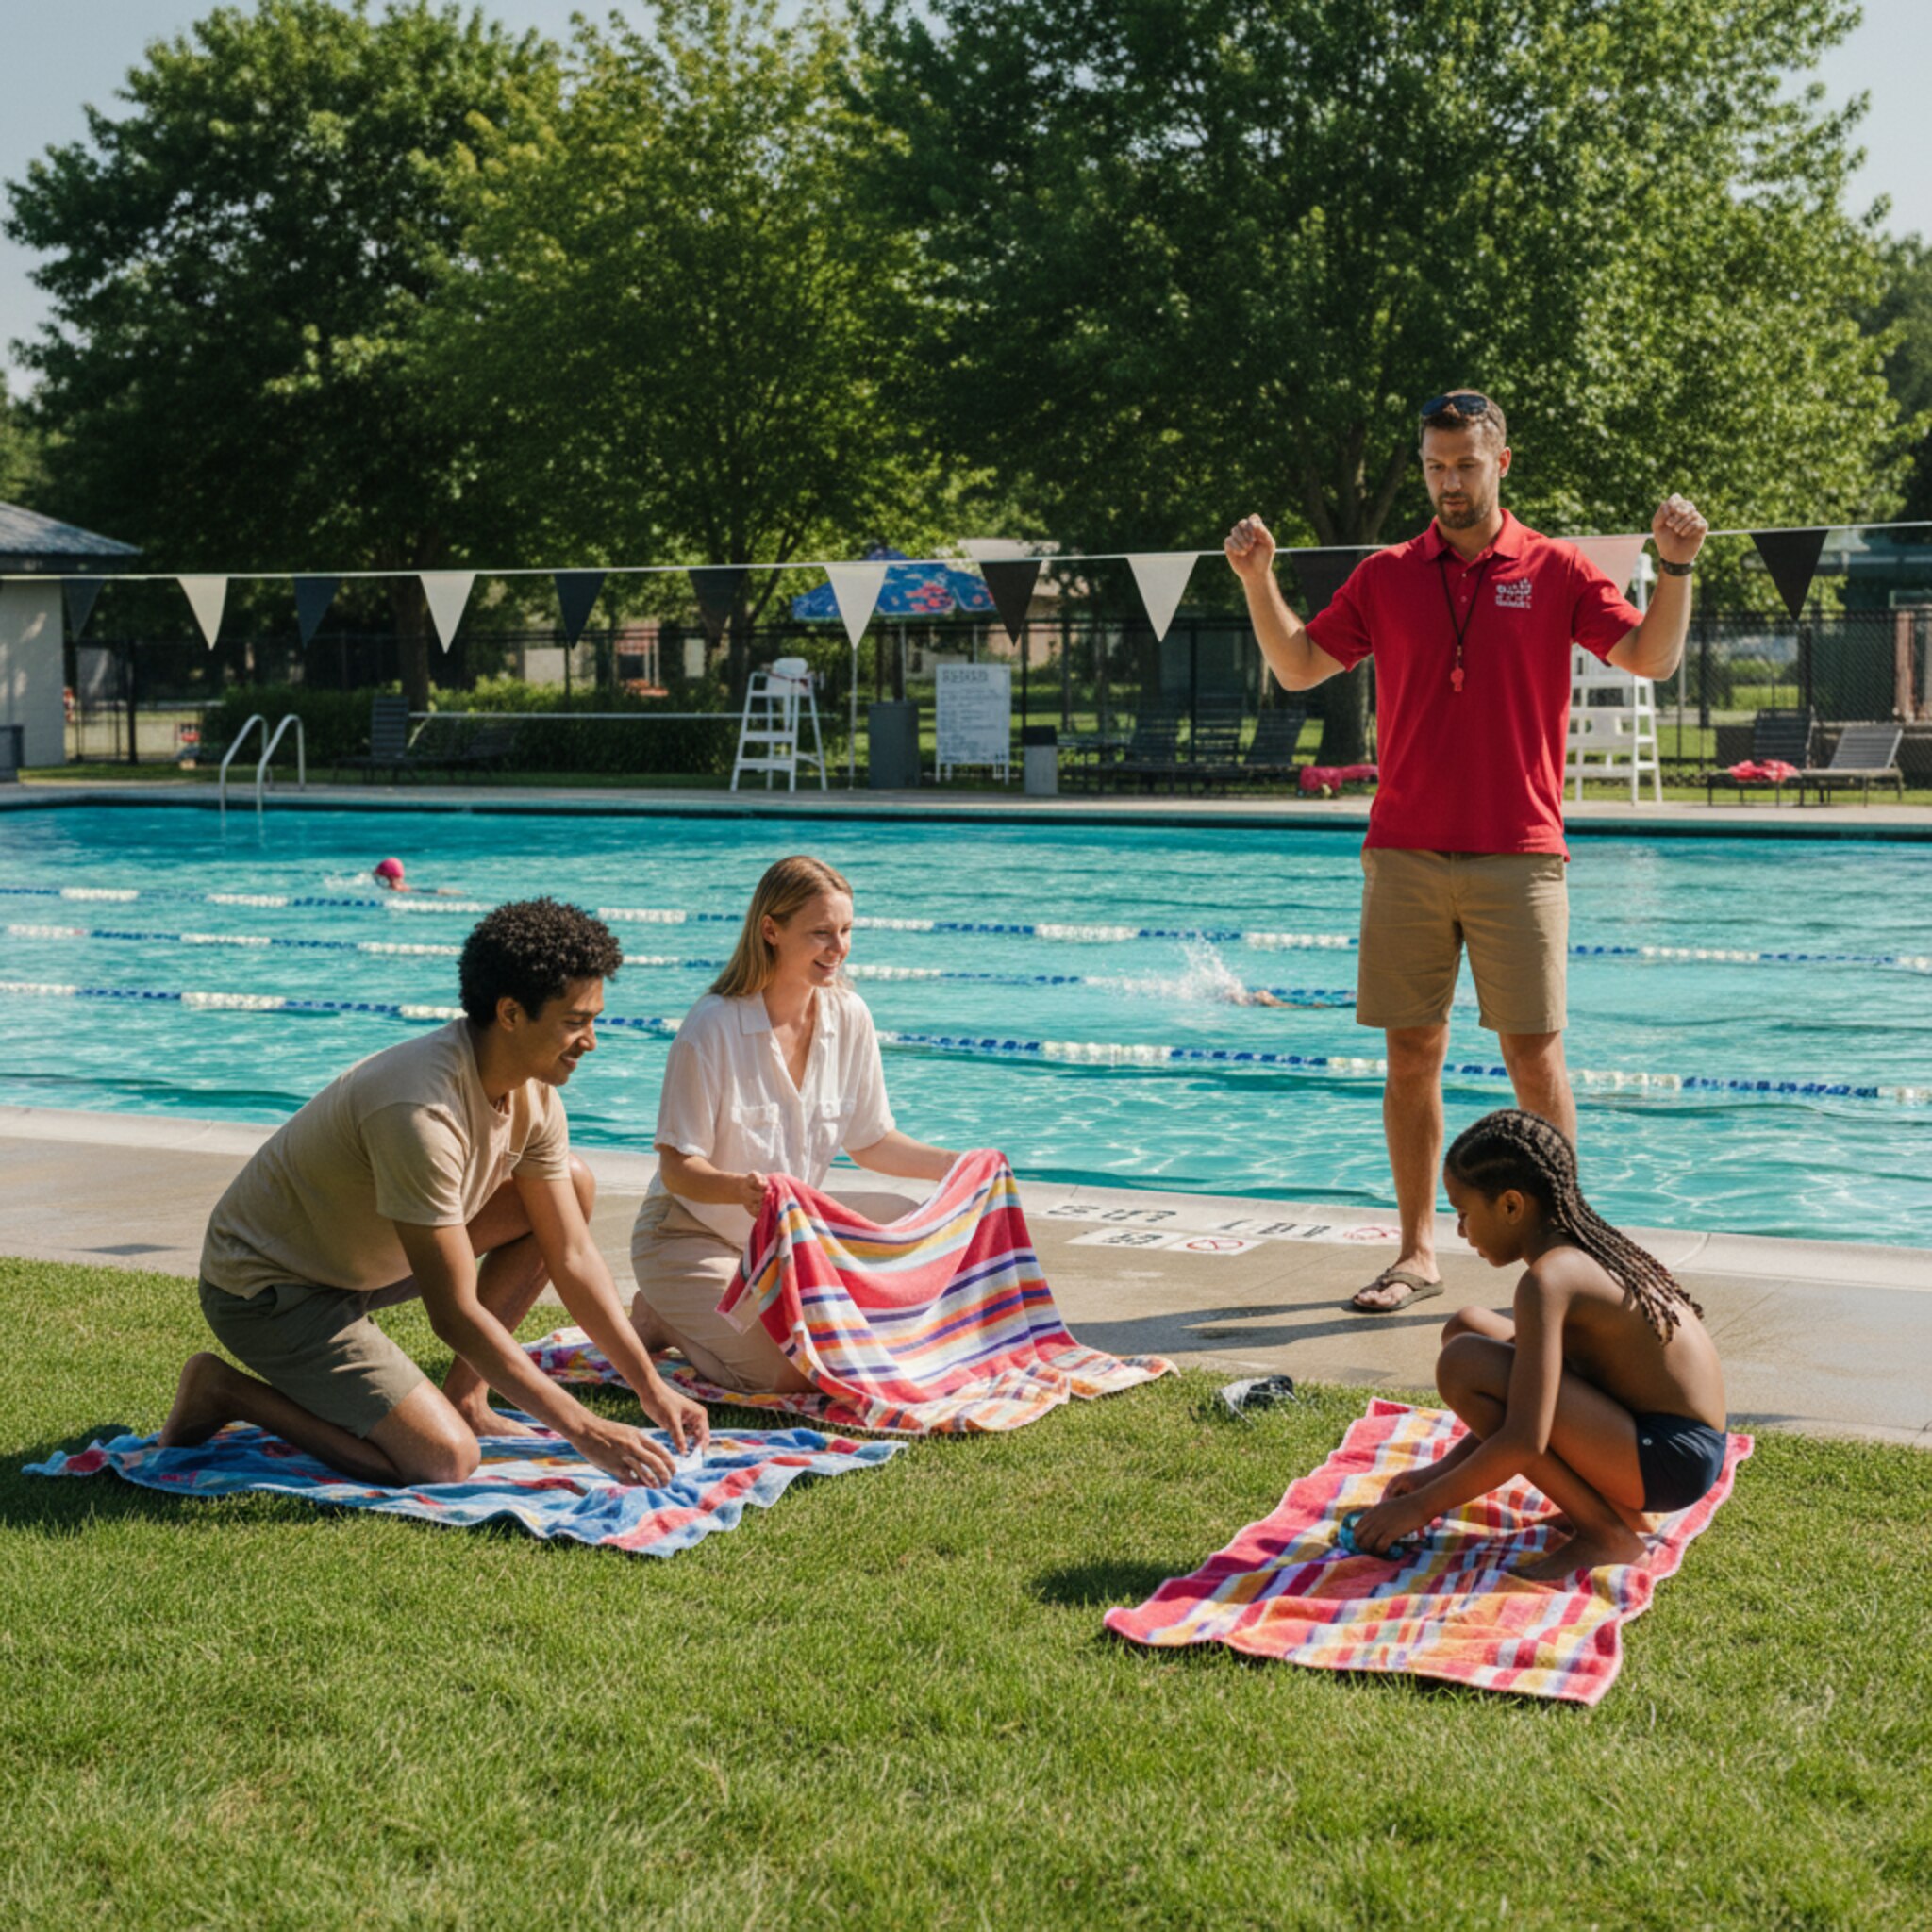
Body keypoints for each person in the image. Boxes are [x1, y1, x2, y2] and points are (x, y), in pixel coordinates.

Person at [1224, 388, 1710, 1314]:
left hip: (1519, 851)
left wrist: (1675, 569)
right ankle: (1413, 1251)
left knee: (1534, 1058)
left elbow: (1646, 657)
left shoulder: (1555, 568)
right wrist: (1257, 578)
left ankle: (1560, 1251)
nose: (1448, 482)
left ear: (1500, 462)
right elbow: (1295, 666)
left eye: (1464, 463)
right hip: (1403, 849)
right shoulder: (1385, 574)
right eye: (1434, 466)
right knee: (1411, 1052)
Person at [161, 897, 708, 1486]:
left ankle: (470, 1402)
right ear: (510, 1013)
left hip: (362, 1263)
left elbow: (572, 1255)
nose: (591, 1041)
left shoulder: (533, 1093)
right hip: (271, 1291)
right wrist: (584, 1429)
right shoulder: (419, 1111)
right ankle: (223, 1392)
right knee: (445, 1461)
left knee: (569, 1186)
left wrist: (653, 1391)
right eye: (576, 1022)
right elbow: (453, 1314)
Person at [629, 855, 961, 1393]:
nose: (839, 949)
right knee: (788, 1375)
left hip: (788, 1235)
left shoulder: (850, 1016)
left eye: (846, 931)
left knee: (911, 1225)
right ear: (771, 931)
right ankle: (661, 1318)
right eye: (821, 934)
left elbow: (872, 1141)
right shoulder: (710, 1026)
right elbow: (678, 1169)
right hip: (691, 1236)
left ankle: (743, 1311)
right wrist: (740, 1190)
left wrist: (960, 1167)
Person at [1348, 1108, 1727, 1581]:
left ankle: (1606, 1534)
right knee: (1467, 1328)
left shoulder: (1548, 1281)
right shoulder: (1575, 1253)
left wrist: (1423, 1507)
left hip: (1668, 1459)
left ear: (1510, 1206)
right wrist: (1436, 1473)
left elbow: (1525, 1437)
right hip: (1671, 1445)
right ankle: (1612, 1510)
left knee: (1464, 1364)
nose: (1462, 1232)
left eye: (1464, 1214)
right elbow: (1528, 1400)